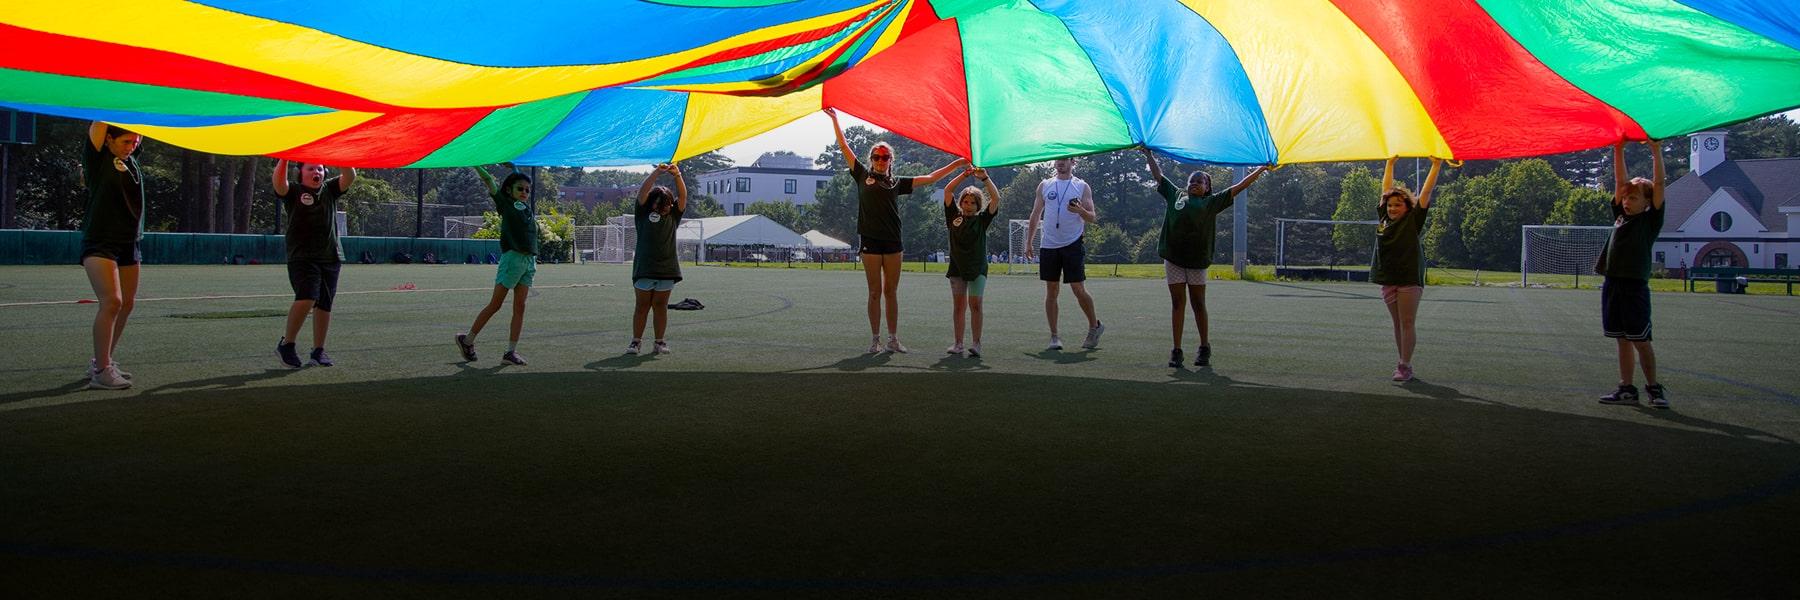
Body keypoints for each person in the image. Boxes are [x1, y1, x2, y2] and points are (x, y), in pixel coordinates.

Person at [824, 107, 967, 354]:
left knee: (891, 292)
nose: (880, 161)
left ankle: (892, 339)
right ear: (871, 160)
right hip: (870, 241)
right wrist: (836, 120)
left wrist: (958, 163)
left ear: (891, 160)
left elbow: (931, 177)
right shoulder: (861, 175)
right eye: (877, 157)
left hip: (893, 242)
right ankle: (875, 339)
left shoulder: (896, 182)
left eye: (885, 157)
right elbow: (845, 149)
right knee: (874, 292)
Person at [1140, 148, 1269, 367]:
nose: (1195, 184)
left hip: (1198, 261)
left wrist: (1261, 168)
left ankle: (1204, 347)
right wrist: (1149, 155)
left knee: (1198, 302)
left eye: (1200, 182)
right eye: (1192, 181)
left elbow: (1239, 187)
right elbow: (1158, 176)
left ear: (1208, 188)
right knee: (1177, 302)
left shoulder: (1212, 203)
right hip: (1173, 259)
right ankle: (1177, 350)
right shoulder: (1176, 195)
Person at [1596, 140, 1668, 408]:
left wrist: (1656, 150)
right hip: (1612, 284)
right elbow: (1619, 180)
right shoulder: (1620, 216)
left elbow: (1659, 184)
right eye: (1625, 197)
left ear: (1647, 202)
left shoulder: (1650, 221)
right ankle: (1626, 388)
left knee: (1640, 340)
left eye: (1634, 198)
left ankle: (1654, 388)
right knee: (1622, 339)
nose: (1626, 201)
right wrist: (1617, 148)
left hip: (1634, 287)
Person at [271, 159, 356, 368]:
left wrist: (337, 155)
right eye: (311, 169)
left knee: (324, 304)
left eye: (320, 168)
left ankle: (318, 350)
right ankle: (287, 344)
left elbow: (350, 176)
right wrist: (285, 157)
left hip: (330, 256)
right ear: (301, 173)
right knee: (307, 297)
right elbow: (279, 184)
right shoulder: (294, 191)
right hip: (302, 257)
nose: (316, 172)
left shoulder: (330, 189)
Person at [79, 122, 146, 389]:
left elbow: (142, 125)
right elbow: (99, 118)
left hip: (129, 243)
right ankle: (102, 370)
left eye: (134, 143)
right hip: (100, 241)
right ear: (108, 140)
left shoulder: (131, 160)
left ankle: (102, 360)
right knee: (112, 302)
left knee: (127, 303)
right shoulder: (98, 159)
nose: (131, 147)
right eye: (125, 143)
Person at [454, 164, 534, 366]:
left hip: (528, 261)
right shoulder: (505, 203)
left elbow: (517, 180)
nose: (524, 192)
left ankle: (510, 352)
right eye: (520, 189)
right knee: (496, 304)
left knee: (520, 307)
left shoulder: (525, 207)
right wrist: (476, 163)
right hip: (512, 259)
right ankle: (468, 340)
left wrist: (515, 167)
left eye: (527, 190)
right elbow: (489, 181)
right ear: (509, 190)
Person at [1371, 156, 1443, 381]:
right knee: (1397, 323)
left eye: (1397, 205)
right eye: (1390, 205)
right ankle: (1402, 361)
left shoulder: (1413, 219)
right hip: (1388, 278)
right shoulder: (1384, 219)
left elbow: (1426, 193)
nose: (1392, 208)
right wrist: (1390, 164)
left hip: (1409, 278)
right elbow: (1385, 188)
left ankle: (1405, 365)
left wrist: (1436, 165)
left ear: (1406, 207)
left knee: (1407, 322)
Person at [1026, 156, 1103, 351]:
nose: (1060, 163)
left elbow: (1092, 217)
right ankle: (1054, 337)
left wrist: (1080, 211)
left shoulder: (1081, 186)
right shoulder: (1045, 185)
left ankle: (1095, 326)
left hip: (1072, 244)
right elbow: (1036, 214)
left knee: (1078, 289)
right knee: (1051, 291)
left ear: (1072, 162)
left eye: (1065, 160)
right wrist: (1029, 242)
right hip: (1049, 245)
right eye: (1058, 160)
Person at [625, 163, 688, 355]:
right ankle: (636, 342)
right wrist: (657, 173)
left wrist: (677, 175)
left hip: (667, 269)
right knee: (642, 306)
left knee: (661, 306)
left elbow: (683, 197)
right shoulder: (643, 213)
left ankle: (659, 342)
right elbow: (642, 193)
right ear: (652, 202)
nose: (665, 207)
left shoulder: (674, 215)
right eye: (660, 203)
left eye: (668, 203)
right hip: (645, 268)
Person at [940, 167, 1001, 357]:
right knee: (959, 306)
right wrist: (965, 174)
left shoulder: (983, 220)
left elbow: (996, 199)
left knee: (975, 305)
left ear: (978, 205)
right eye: (965, 202)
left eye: (972, 203)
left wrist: (984, 178)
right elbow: (948, 190)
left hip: (977, 269)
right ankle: (958, 344)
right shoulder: (953, 217)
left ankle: (976, 343)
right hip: (957, 268)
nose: (967, 206)